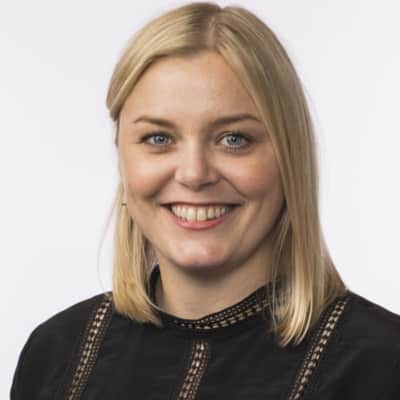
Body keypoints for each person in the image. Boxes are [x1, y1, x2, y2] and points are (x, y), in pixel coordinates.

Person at [10, 2, 400, 399]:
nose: (194, 174)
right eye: (158, 138)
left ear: (289, 156)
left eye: (234, 139)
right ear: (121, 155)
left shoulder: (382, 364)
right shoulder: (55, 354)